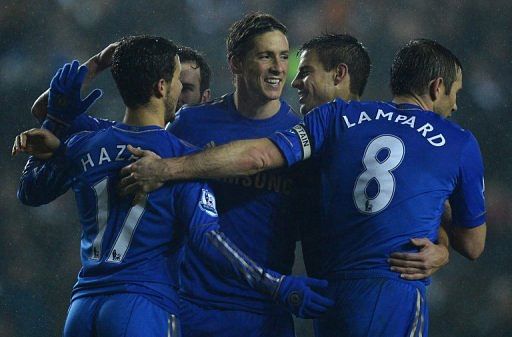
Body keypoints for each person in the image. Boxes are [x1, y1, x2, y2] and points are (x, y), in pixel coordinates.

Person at [119, 38, 487, 337]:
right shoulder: (458, 141)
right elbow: (471, 242)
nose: (454, 105)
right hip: (394, 287)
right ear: (438, 87)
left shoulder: (337, 119)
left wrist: (169, 168)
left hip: (327, 296)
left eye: (302, 70)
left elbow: (259, 156)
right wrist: (441, 243)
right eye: (455, 93)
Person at [13, 35, 334, 337]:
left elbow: (29, 191)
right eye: (179, 79)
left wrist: (57, 116)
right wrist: (277, 285)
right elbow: (210, 240)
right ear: (162, 86)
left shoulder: (86, 143)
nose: (182, 89)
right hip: (141, 307)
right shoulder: (180, 159)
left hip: (82, 308)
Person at [291, 33, 450, 281]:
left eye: (305, 72)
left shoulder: (383, 140)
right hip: (317, 289)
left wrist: (441, 248)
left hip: (371, 291)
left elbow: (425, 203)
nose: (295, 82)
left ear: (339, 74)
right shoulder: (298, 133)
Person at [30, 44, 212, 123]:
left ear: (205, 98)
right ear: (160, 85)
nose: (176, 91)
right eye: (173, 82)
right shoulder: (115, 135)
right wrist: (98, 63)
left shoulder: (210, 150)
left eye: (186, 88)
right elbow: (44, 111)